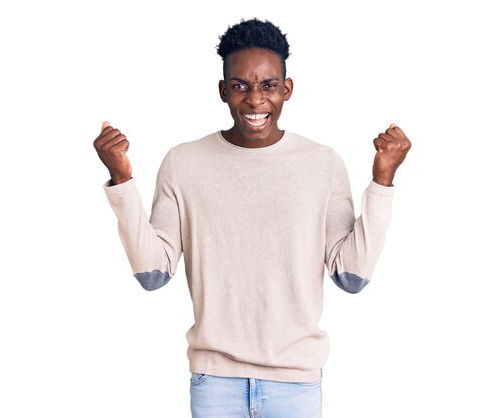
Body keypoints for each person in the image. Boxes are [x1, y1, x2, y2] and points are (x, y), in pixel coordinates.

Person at [93, 18, 410, 418]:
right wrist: (121, 179)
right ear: (223, 91)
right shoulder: (184, 163)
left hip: (295, 383)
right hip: (215, 383)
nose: (255, 100)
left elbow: (352, 276)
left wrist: (383, 180)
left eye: (268, 86)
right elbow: (152, 274)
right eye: (241, 85)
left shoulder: (322, 164)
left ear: (287, 89)